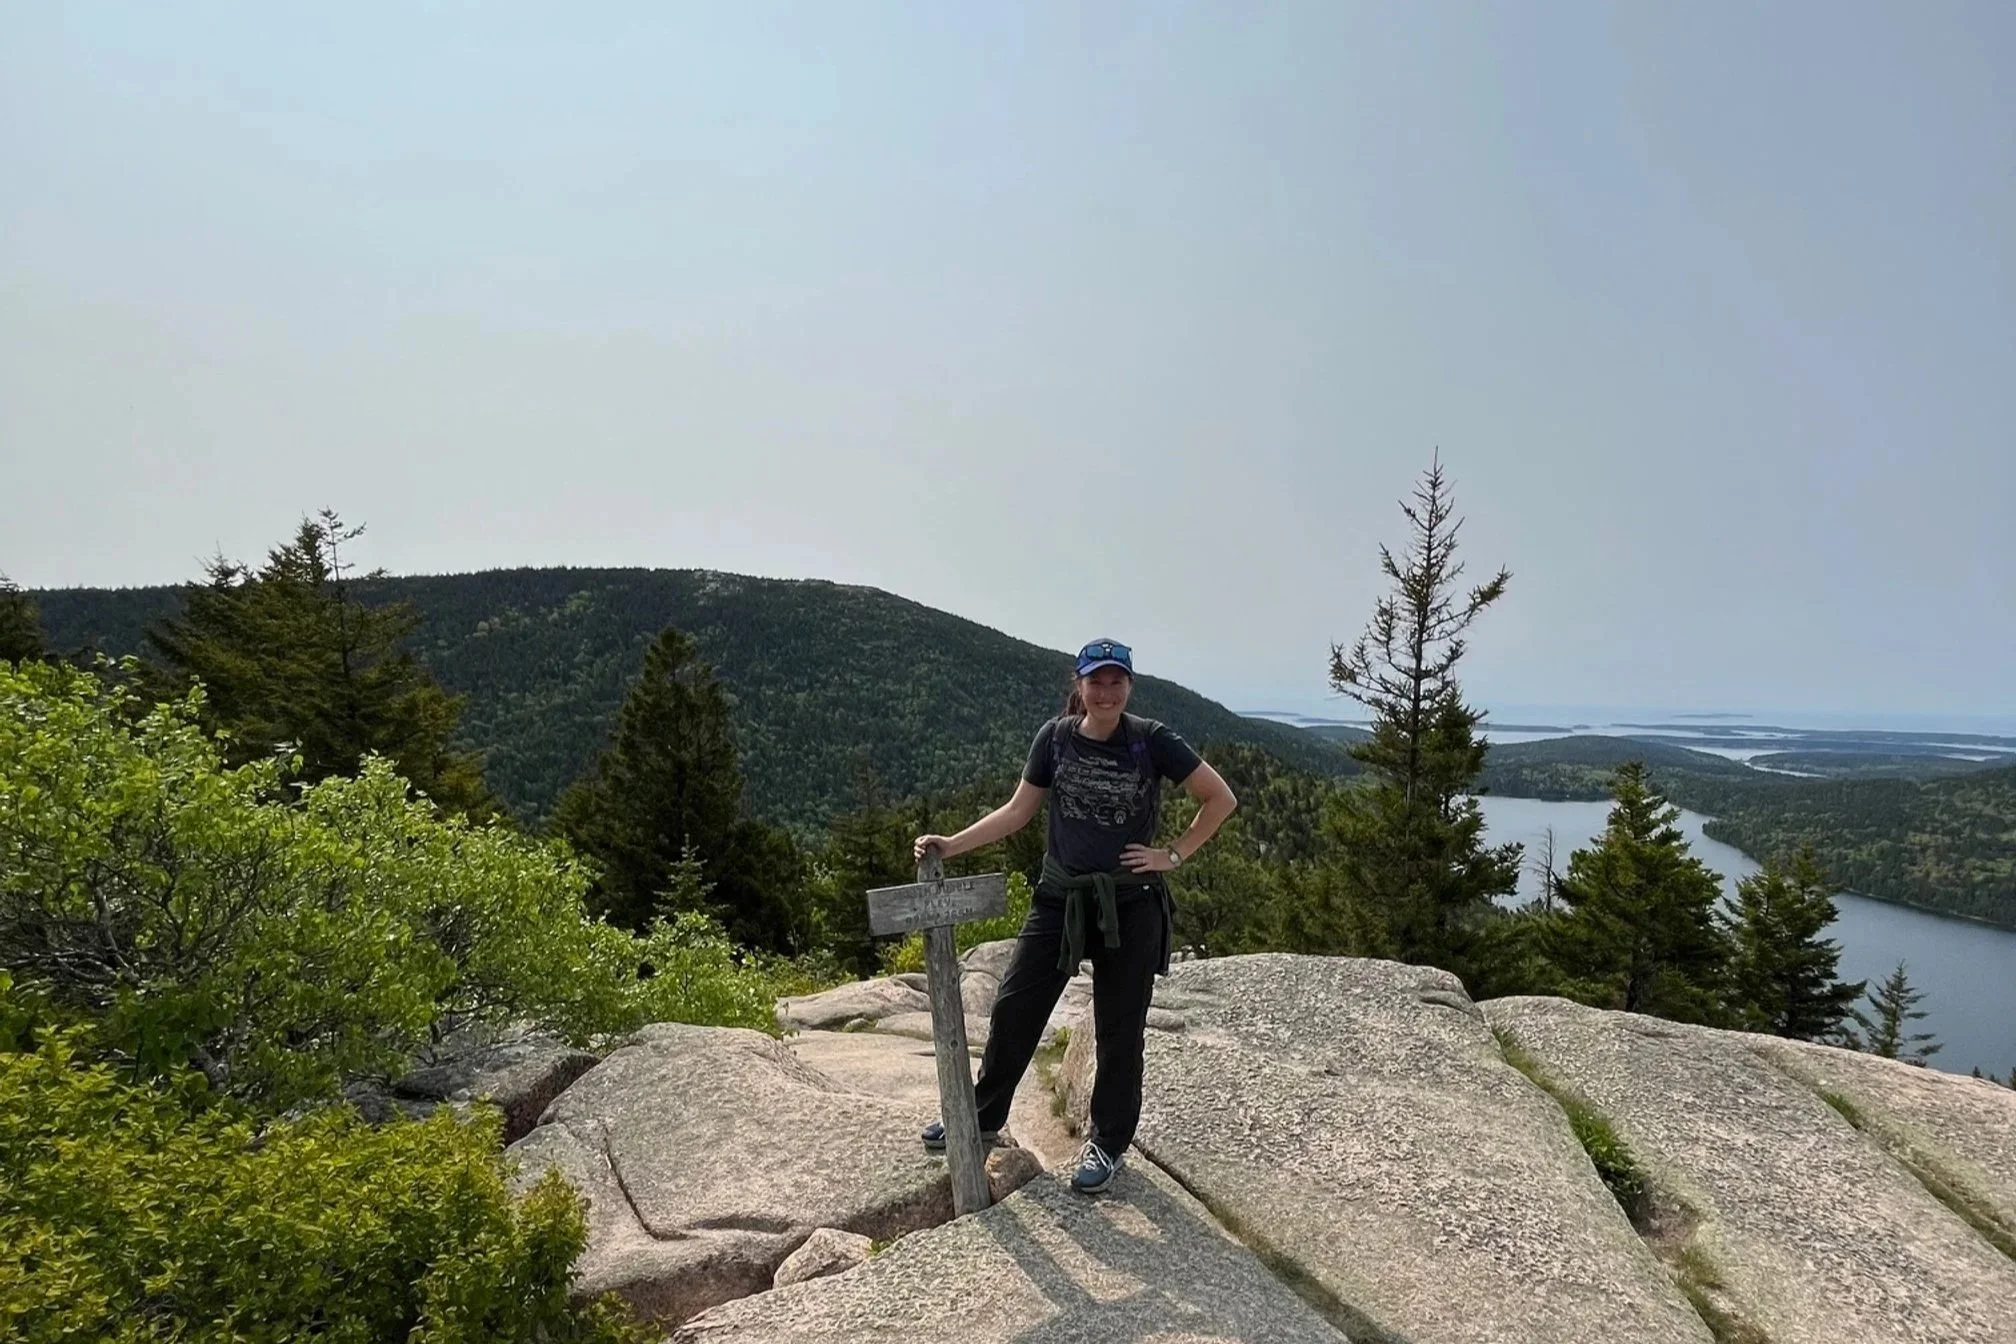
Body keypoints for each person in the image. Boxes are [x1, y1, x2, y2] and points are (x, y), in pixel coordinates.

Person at [911, 637, 1238, 1194]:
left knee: (1119, 1029)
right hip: (1060, 898)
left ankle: (1107, 1143)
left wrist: (1172, 855)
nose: (1106, 692)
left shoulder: (1151, 739)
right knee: (1015, 1009)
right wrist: (952, 844)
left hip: (1130, 903)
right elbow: (1018, 812)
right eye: (1096, 681)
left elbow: (1220, 798)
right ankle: (982, 1117)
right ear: (1079, 685)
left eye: (1116, 681)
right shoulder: (1056, 738)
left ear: (1129, 685)